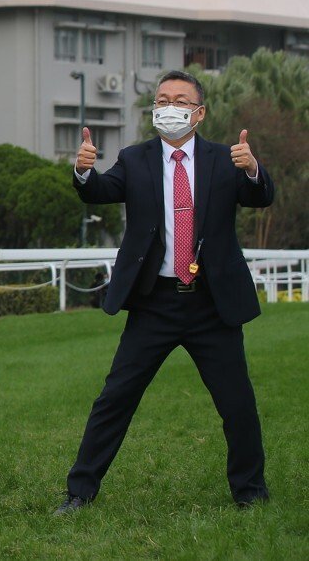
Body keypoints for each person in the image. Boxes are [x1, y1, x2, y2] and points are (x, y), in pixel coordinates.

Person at [56, 70, 275, 514]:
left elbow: (260, 197)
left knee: (238, 405)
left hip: (212, 302)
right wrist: (82, 171)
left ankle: (250, 493)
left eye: (179, 99)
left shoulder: (223, 159)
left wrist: (252, 169)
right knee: (115, 398)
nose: (168, 107)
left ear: (199, 112)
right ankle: (79, 492)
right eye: (161, 99)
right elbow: (100, 190)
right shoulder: (135, 158)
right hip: (154, 301)